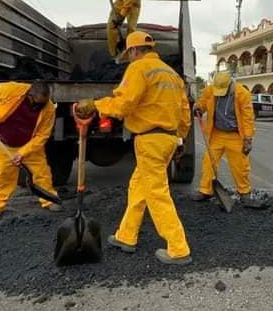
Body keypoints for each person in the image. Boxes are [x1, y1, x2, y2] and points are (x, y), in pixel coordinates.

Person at [76, 31, 193, 265]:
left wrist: (95, 105)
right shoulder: (173, 75)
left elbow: (123, 104)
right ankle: (126, 236)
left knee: (157, 193)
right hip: (167, 139)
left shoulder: (139, 68)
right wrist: (179, 138)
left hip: (149, 139)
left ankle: (178, 248)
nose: (129, 58)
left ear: (133, 51)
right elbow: (184, 113)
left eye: (129, 53)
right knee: (139, 187)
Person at [0, 81, 60, 221]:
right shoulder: (12, 90)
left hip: (29, 145)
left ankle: (49, 199)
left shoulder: (49, 108)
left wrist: (22, 153)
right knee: (0, 176)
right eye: (36, 103)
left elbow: (42, 135)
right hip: (2, 141)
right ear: (29, 94)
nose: (38, 106)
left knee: (42, 174)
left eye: (42, 103)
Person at [192, 71, 261, 207]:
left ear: (230, 84)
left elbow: (248, 118)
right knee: (208, 162)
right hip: (217, 133)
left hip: (235, 135)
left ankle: (244, 192)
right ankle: (206, 190)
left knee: (240, 165)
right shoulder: (211, 90)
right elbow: (203, 102)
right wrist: (199, 107)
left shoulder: (242, 94)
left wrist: (248, 139)